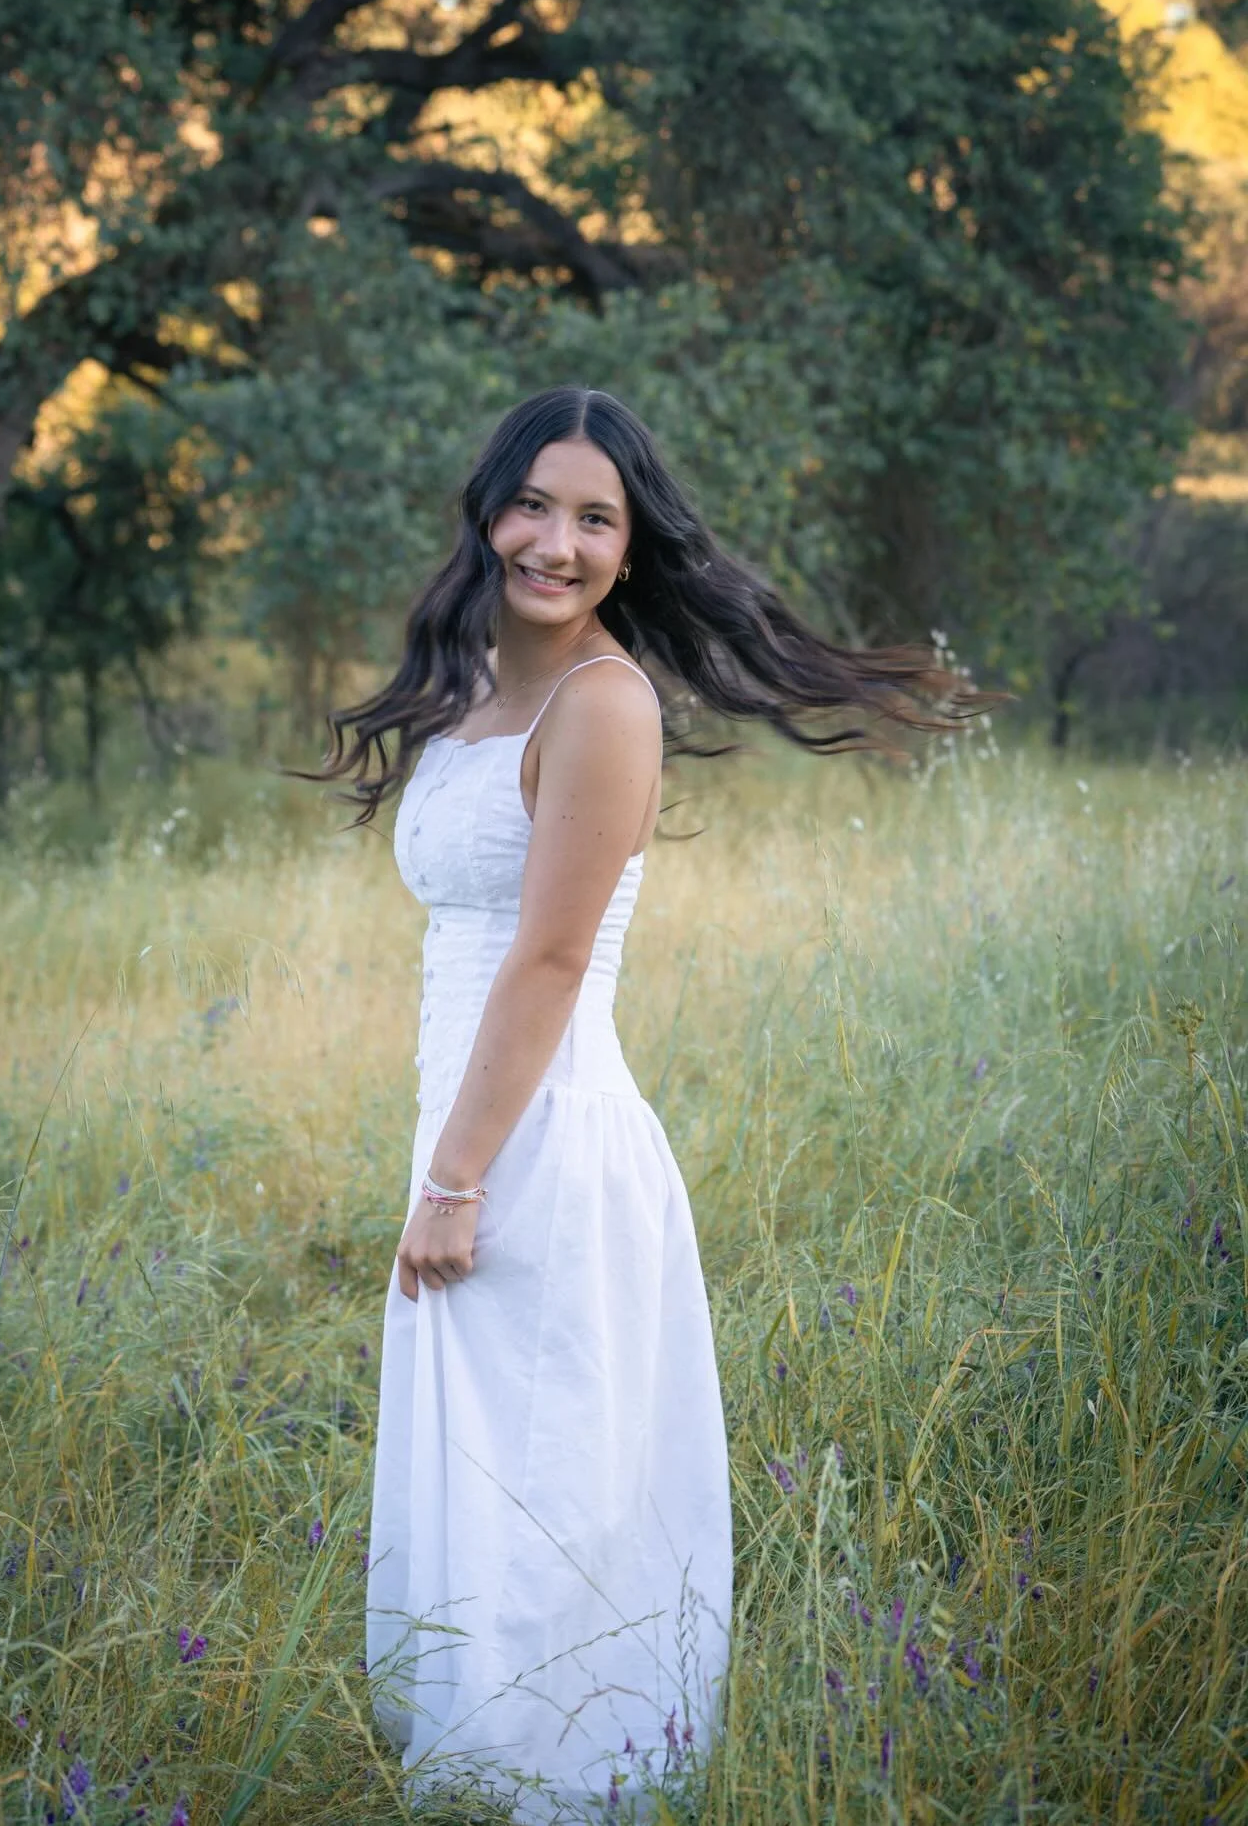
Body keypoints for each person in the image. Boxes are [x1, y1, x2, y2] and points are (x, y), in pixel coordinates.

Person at [295, 385, 979, 1822]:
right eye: (535, 503)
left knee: (545, 1488)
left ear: (630, 544)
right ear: (488, 507)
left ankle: (560, 1787)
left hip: (537, 1146)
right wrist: (445, 1158)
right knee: (483, 1482)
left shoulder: (605, 703)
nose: (557, 540)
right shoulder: (478, 685)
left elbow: (547, 958)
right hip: (473, 1128)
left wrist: (459, 1177)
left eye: (595, 518)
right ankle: (477, 1778)